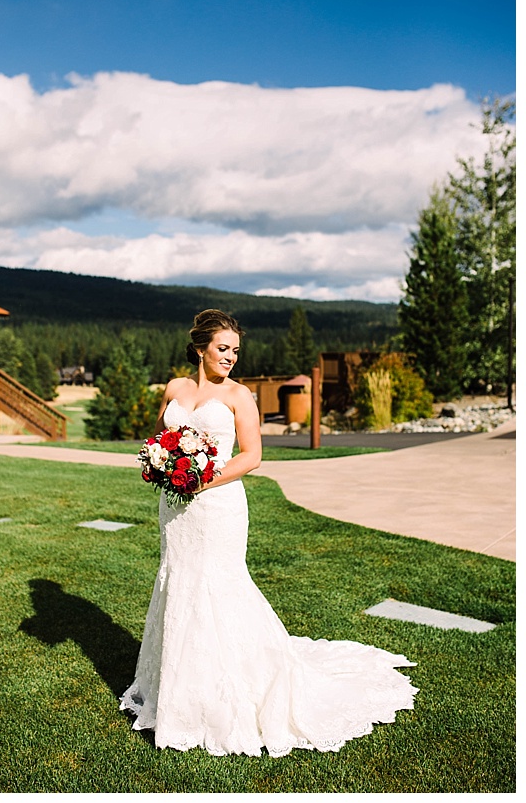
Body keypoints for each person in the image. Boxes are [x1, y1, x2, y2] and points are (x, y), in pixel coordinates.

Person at [120, 309, 417, 757]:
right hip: (176, 510)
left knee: (219, 587)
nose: (231, 358)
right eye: (223, 349)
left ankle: (235, 691)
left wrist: (202, 478)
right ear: (200, 348)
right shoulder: (175, 389)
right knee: (179, 583)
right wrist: (162, 460)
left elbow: (252, 456)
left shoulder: (240, 396)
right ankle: (180, 692)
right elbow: (160, 435)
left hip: (218, 506)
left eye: (236, 351)